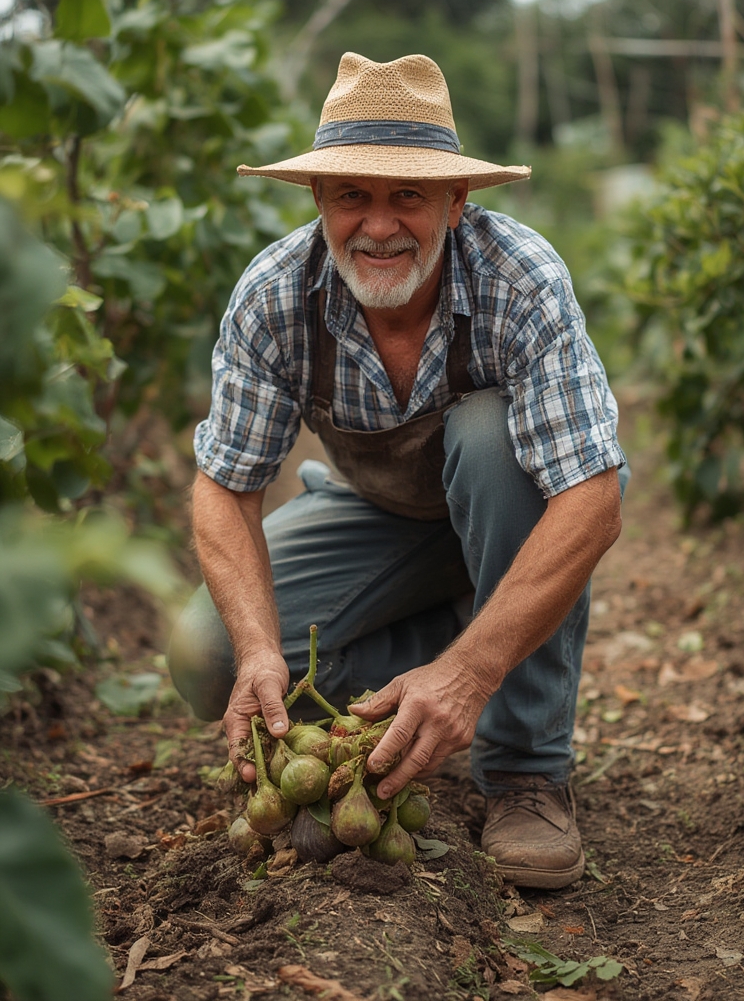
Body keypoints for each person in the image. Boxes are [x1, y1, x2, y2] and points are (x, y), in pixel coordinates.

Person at [168, 52, 627, 890]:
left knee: (489, 435)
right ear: (318, 200)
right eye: (353, 195)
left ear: (458, 202)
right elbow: (224, 485)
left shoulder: (518, 279)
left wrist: (472, 675)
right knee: (203, 653)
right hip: (377, 515)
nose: (378, 225)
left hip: (508, 516)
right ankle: (449, 636)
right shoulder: (276, 296)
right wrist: (260, 650)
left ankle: (526, 767)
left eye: (406, 195)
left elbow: (592, 500)